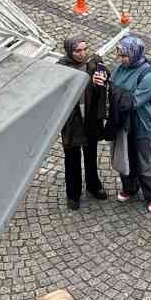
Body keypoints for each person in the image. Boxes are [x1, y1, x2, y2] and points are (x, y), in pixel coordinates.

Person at [108, 34, 151, 213]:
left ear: (135, 54)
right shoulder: (120, 68)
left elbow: (131, 102)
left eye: (125, 55)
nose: (121, 59)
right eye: (120, 55)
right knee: (124, 156)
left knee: (144, 160)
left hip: (141, 124)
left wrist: (114, 93)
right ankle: (130, 187)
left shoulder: (148, 76)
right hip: (122, 122)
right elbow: (112, 88)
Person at [57, 37, 110, 209]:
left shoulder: (93, 62)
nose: (82, 53)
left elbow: (105, 76)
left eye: (85, 49)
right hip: (71, 120)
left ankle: (93, 185)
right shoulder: (61, 68)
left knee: (91, 155)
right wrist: (89, 82)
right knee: (72, 158)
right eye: (78, 51)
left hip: (90, 118)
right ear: (69, 51)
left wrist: (102, 78)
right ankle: (73, 194)